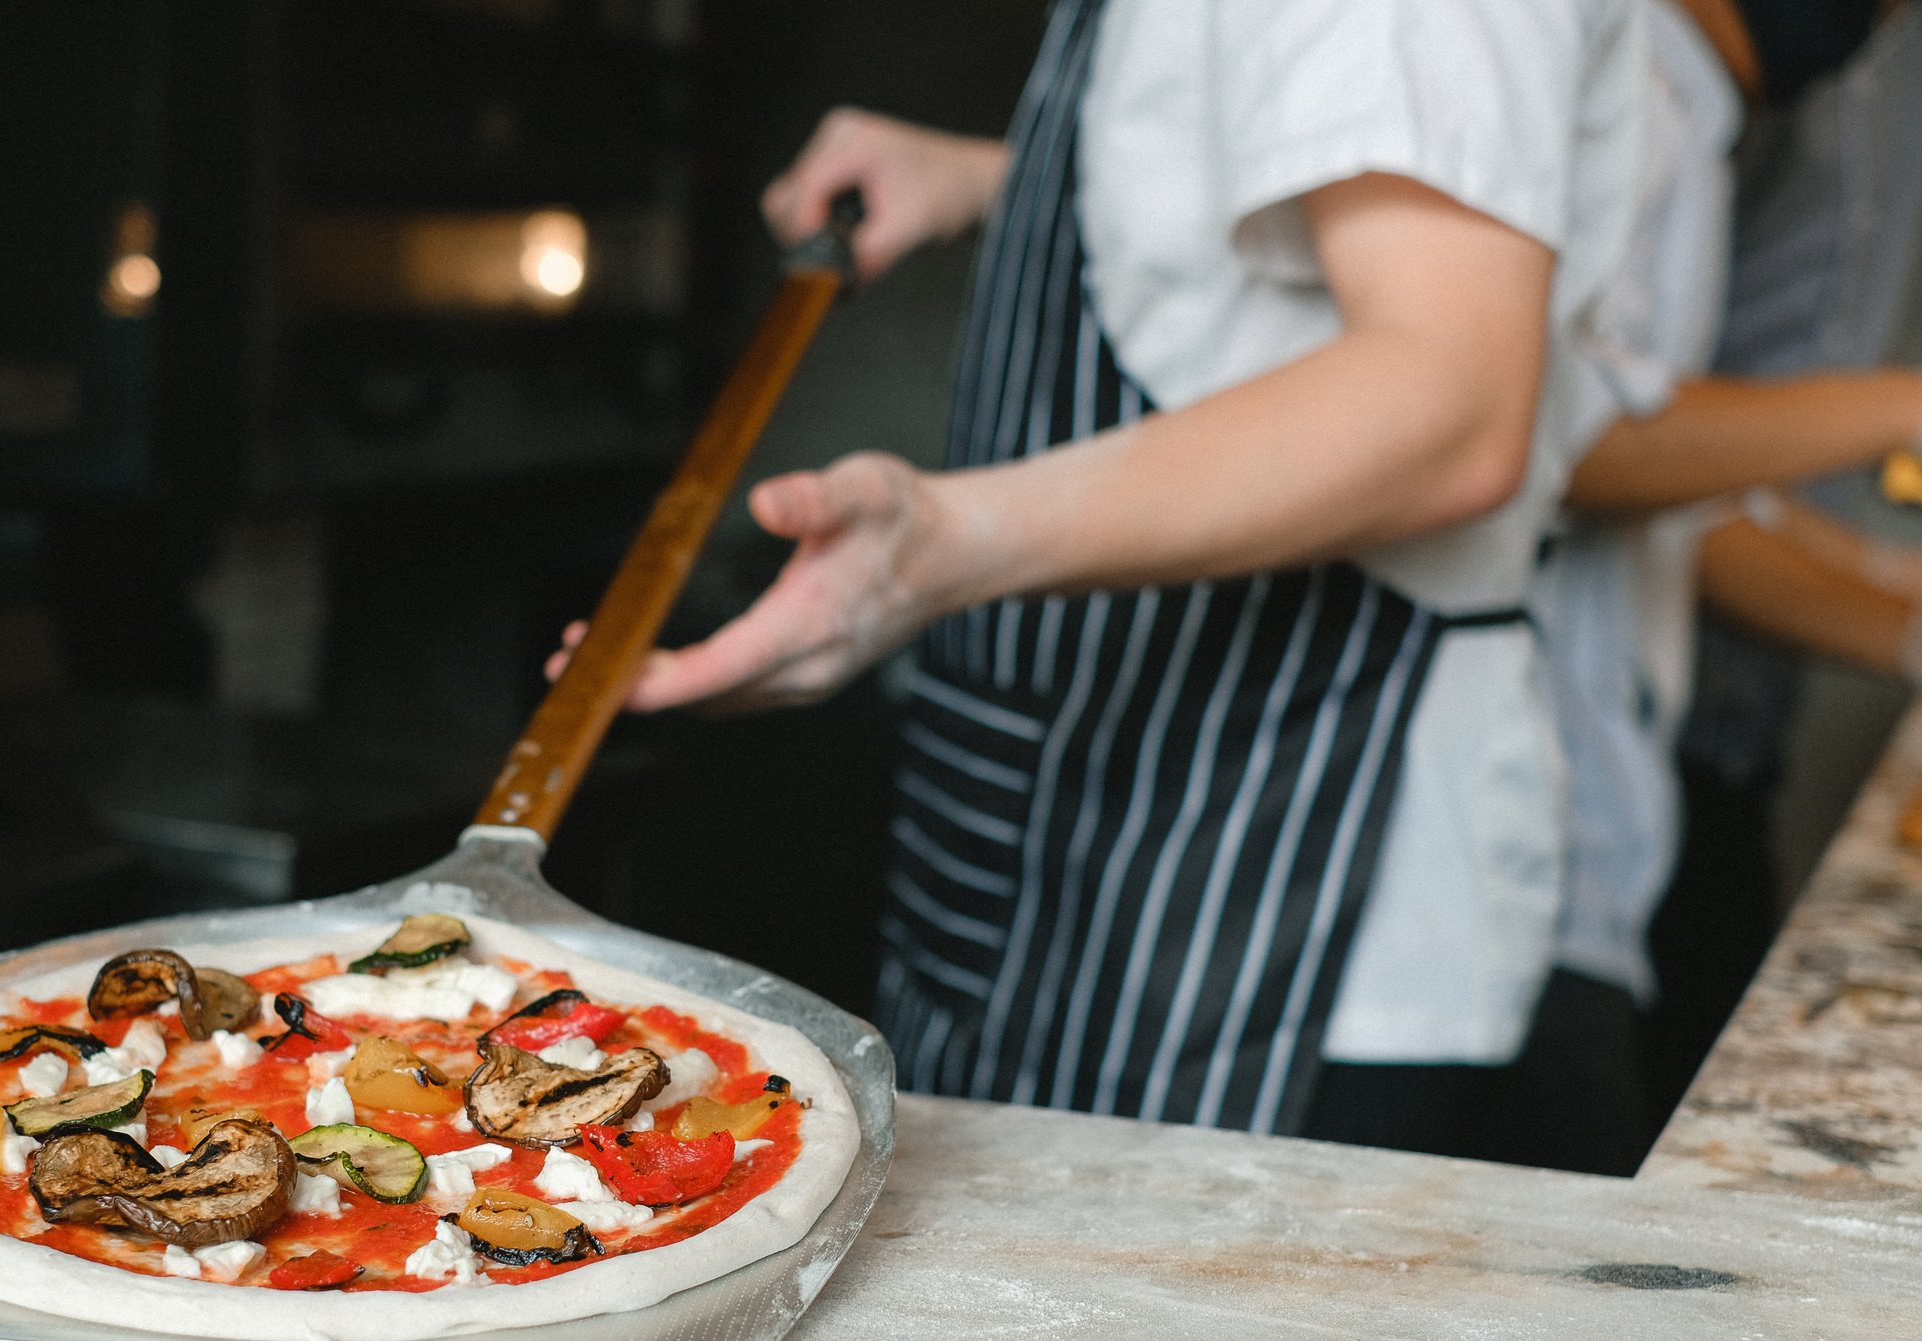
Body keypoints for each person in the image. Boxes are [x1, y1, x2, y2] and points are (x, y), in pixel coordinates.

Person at [555, 0, 1643, 1148]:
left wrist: (933, 547)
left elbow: (1452, 402)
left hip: (1271, 877)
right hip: (1079, 821)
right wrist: (1005, 181)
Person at [1479, 0, 1922, 1176]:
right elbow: (1574, 436)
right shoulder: (1631, 81)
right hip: (1521, 852)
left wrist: (1917, 614)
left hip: (1606, 809)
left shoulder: (1702, 107)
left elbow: (1682, 464)